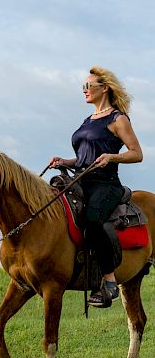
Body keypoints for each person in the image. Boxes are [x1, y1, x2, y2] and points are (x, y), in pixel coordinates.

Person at [50, 66, 143, 308]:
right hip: (80, 180)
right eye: (83, 86)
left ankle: (109, 280)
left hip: (106, 184)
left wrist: (112, 157)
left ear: (105, 88)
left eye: (88, 86)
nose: (84, 90)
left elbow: (137, 154)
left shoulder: (118, 118)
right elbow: (84, 157)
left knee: (92, 219)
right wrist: (65, 161)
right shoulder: (87, 120)